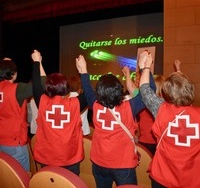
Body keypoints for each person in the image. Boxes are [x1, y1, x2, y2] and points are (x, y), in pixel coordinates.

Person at [75, 54, 156, 188]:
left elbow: (88, 89)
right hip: (123, 165)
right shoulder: (129, 107)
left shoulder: (95, 103)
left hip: (99, 163)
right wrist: (145, 67)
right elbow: (150, 92)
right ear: (119, 90)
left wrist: (83, 70)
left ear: (99, 91)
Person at [139, 53, 200, 188]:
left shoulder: (161, 109)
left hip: (162, 177)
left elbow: (144, 90)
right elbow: (183, 89)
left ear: (167, 93)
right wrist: (178, 71)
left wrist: (146, 67)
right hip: (193, 180)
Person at [31, 51, 88, 176]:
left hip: (46, 158)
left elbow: (36, 84)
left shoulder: (42, 102)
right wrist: (83, 69)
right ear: (66, 87)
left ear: (48, 88)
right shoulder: (74, 104)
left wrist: (37, 62)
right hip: (70, 159)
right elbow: (88, 93)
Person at [0, 51, 46, 172]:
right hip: (15, 144)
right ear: (13, 74)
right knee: (21, 180)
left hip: (1, 141)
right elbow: (42, 83)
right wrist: (38, 62)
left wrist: (3, 65)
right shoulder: (17, 90)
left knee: (7, 178)